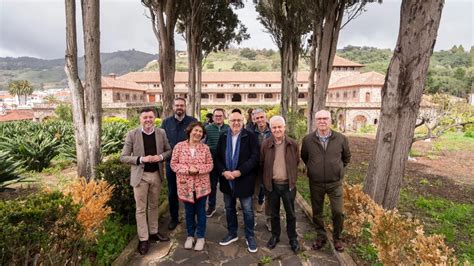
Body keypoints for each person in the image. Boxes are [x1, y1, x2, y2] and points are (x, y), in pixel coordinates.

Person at [120, 107, 171, 255]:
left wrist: (160, 157)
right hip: (140, 176)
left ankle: (154, 232)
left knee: (154, 205)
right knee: (141, 209)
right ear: (140, 119)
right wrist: (141, 159)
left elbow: (169, 150)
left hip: (156, 174)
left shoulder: (161, 133)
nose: (148, 120)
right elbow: (123, 157)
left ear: (155, 118)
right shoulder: (132, 134)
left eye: (150, 117)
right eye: (145, 117)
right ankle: (143, 238)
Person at [301, 110, 351, 252]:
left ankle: (337, 238)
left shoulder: (341, 139)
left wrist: (336, 169)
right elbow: (305, 157)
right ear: (315, 121)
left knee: (338, 212)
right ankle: (321, 236)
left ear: (330, 121)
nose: (322, 121)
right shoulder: (308, 140)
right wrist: (313, 168)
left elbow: (346, 158)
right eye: (319, 119)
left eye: (325, 118)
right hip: (316, 183)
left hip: (335, 183)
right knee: (317, 212)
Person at [215, 109, 260, 253]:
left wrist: (239, 172)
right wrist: (224, 171)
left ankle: (250, 235)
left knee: (247, 210)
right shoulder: (223, 137)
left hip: (244, 179)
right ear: (229, 122)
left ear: (243, 122)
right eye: (233, 120)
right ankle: (232, 233)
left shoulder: (250, 136)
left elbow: (254, 158)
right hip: (227, 179)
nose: (236, 123)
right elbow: (217, 157)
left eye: (239, 120)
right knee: (229, 208)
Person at [170, 122, 213, 251]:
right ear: (190, 131)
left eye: (200, 132)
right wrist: (188, 169)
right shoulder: (179, 147)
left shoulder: (205, 148)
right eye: (196, 130)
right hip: (185, 186)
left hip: (202, 186)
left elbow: (210, 165)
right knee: (189, 212)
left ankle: (200, 237)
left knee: (201, 212)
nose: (198, 133)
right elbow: (173, 164)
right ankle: (190, 235)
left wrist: (197, 169)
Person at [260, 116, 300, 253]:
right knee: (274, 213)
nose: (277, 130)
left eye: (279, 127)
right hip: (272, 186)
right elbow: (262, 164)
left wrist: (292, 178)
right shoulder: (265, 144)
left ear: (284, 128)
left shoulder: (292, 144)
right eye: (274, 127)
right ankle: (275, 236)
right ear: (270, 129)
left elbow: (296, 162)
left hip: (288, 185)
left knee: (291, 214)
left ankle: (293, 238)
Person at [161, 97, 197, 230]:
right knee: (172, 192)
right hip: (172, 163)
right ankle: (174, 218)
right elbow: (163, 141)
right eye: (177, 105)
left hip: (189, 164)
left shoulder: (192, 121)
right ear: (173, 106)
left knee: (191, 192)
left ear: (185, 106)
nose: (179, 107)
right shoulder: (166, 123)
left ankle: (192, 219)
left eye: (181, 105)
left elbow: (198, 139)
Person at [247, 108, 272, 230]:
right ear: (254, 119)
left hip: (270, 168)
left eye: (262, 117)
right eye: (257, 118)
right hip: (255, 168)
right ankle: (254, 218)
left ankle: (269, 220)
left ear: (265, 117)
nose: (260, 120)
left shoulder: (273, 130)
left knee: (270, 195)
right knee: (254, 195)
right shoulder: (249, 132)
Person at [204, 108, 229, 217]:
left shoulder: (229, 128)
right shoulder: (207, 128)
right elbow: (203, 144)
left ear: (224, 117)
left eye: (220, 116)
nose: (218, 118)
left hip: (225, 161)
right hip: (212, 161)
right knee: (212, 185)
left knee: (226, 185)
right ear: (213, 117)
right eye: (216, 116)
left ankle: (229, 206)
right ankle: (211, 206)